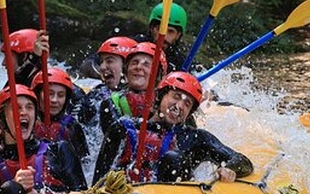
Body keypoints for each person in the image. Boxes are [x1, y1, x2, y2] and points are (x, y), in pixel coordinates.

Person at [93, 71, 253, 185]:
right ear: (160, 97)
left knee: (173, 158)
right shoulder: (123, 128)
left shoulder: (196, 138)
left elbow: (243, 161)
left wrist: (229, 169)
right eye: (176, 97)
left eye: (187, 104)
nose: (179, 106)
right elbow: (98, 179)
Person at [0, 85, 87, 194]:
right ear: (1, 119)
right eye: (16, 108)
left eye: (29, 107)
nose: (24, 112)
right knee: (11, 188)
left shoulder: (59, 151)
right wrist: (15, 187)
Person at [98, 41, 167, 134]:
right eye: (134, 63)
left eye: (146, 64)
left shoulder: (165, 106)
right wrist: (151, 123)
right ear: (126, 70)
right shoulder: (111, 102)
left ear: (158, 75)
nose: (138, 67)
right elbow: (114, 135)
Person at [76, 36, 137, 127]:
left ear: (127, 65)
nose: (102, 67)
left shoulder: (149, 99)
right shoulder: (96, 95)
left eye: (109, 61)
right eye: (101, 61)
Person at [29, 67, 89, 160]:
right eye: (49, 94)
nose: (54, 100)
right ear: (37, 95)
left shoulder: (71, 126)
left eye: (61, 95)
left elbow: (85, 163)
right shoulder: (27, 124)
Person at [134, 2, 189, 71]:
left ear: (178, 35)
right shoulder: (133, 47)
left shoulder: (180, 64)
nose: (164, 36)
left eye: (170, 31)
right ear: (151, 28)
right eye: (160, 29)